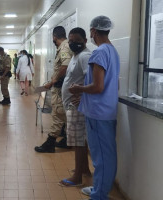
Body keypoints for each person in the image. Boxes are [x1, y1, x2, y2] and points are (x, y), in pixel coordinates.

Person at [69, 16, 119, 200]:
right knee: (105, 154)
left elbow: (98, 86)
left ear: (93, 31)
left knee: (101, 158)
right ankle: (99, 188)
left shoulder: (99, 52)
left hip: (98, 112)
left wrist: (78, 89)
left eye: (90, 31)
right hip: (106, 110)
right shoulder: (112, 51)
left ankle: (99, 194)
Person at [58, 27, 91, 187]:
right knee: (80, 139)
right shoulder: (75, 55)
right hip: (71, 104)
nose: (73, 43)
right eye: (70, 41)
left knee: (77, 141)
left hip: (76, 105)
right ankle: (84, 169)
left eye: (77, 41)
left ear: (85, 41)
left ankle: (77, 176)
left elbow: (90, 78)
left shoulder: (85, 56)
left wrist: (83, 96)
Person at [35, 26, 73, 153]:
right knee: (65, 114)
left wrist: (53, 81)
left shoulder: (64, 47)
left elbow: (65, 66)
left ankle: (50, 144)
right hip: (64, 87)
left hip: (61, 88)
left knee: (57, 114)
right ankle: (67, 140)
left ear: (54, 37)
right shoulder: (66, 46)